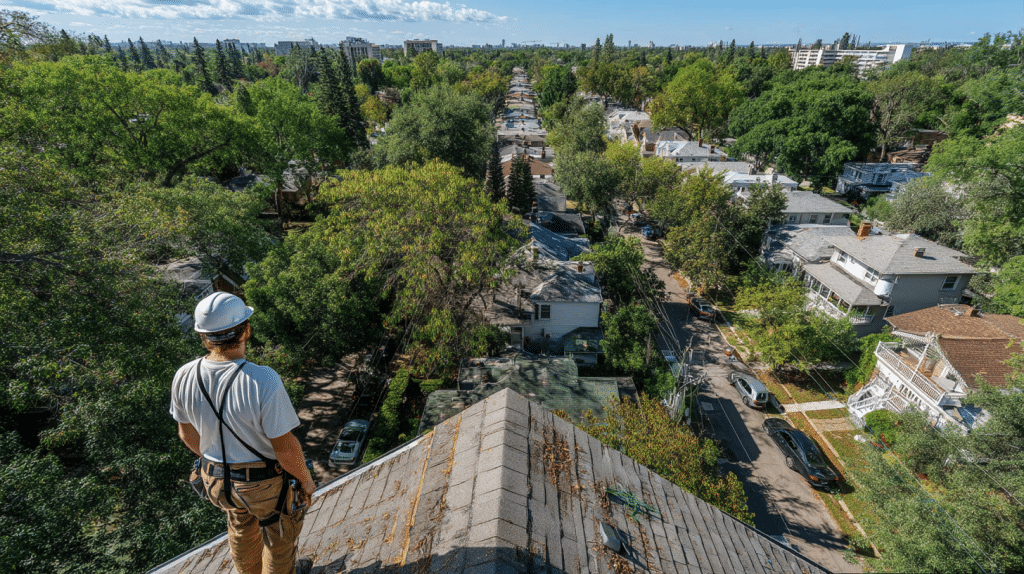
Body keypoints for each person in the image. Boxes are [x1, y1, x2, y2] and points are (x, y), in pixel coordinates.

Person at [170, 292, 315, 574]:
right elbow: (285, 449)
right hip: (263, 483)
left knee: (240, 528)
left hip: (216, 480)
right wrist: (306, 482)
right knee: (279, 538)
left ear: (203, 337)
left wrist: (221, 461)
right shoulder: (263, 379)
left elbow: (187, 436)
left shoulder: (184, 375)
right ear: (246, 330)